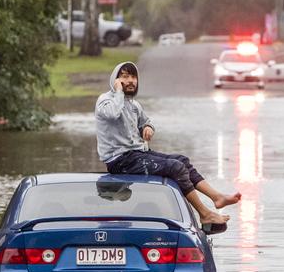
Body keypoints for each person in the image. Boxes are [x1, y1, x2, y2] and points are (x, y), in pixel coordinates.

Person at [94, 61, 240, 226]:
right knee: (174, 168)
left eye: (133, 77)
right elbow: (112, 114)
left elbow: (146, 121)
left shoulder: (134, 105)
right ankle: (204, 214)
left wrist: (148, 127)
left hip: (138, 154)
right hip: (120, 160)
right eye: (125, 77)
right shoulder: (105, 100)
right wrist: (118, 91)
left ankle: (216, 197)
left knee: (182, 160)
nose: (131, 81)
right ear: (116, 80)